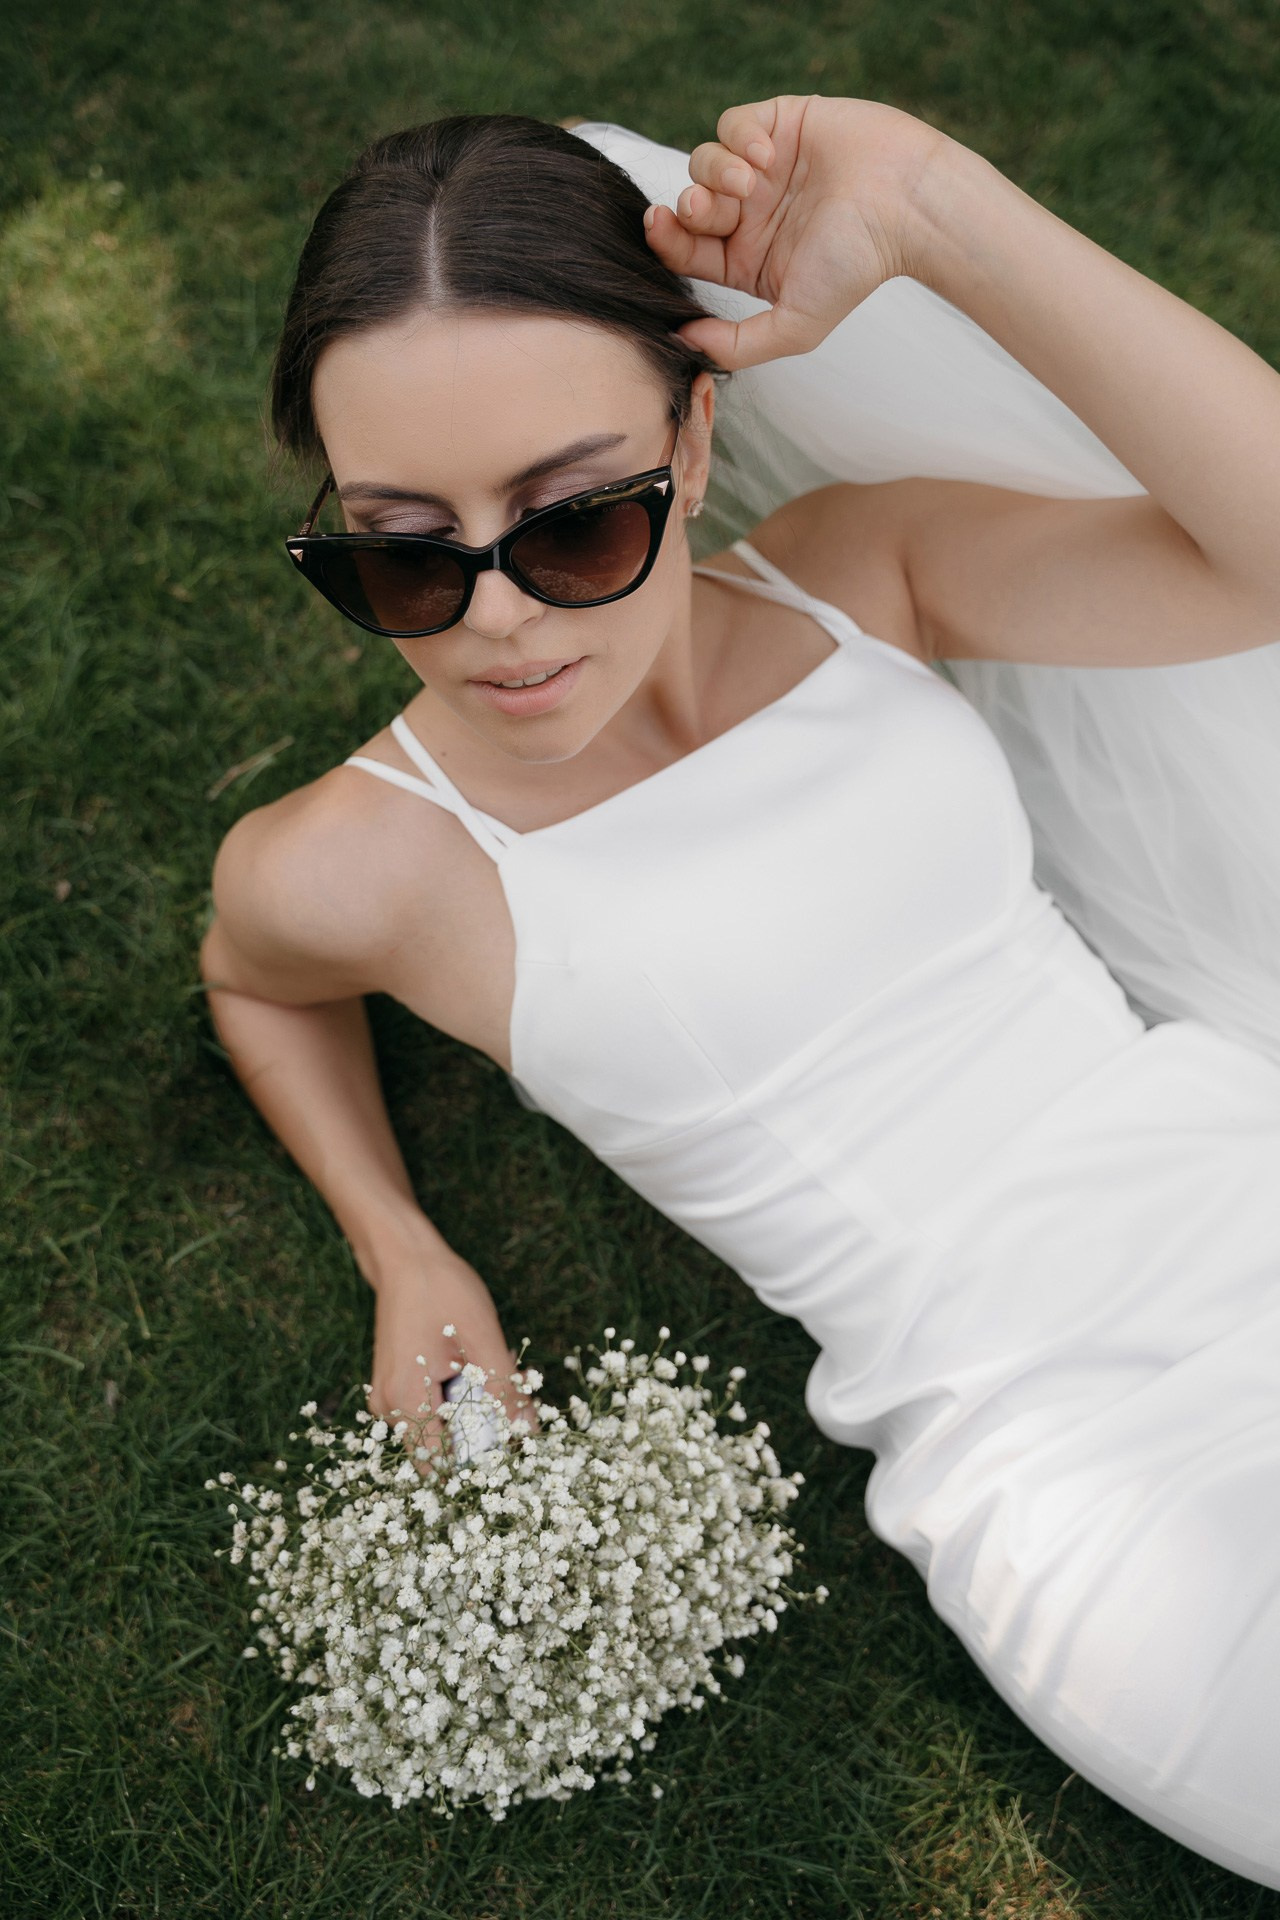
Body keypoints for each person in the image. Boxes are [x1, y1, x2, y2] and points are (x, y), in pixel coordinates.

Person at [199, 96, 1280, 1887]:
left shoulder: (866, 575)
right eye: (400, 549)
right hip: (1062, 1460)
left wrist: (937, 202)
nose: (496, 625)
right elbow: (258, 987)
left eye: (573, 522)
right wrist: (404, 1244)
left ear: (697, 440)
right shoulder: (363, 861)